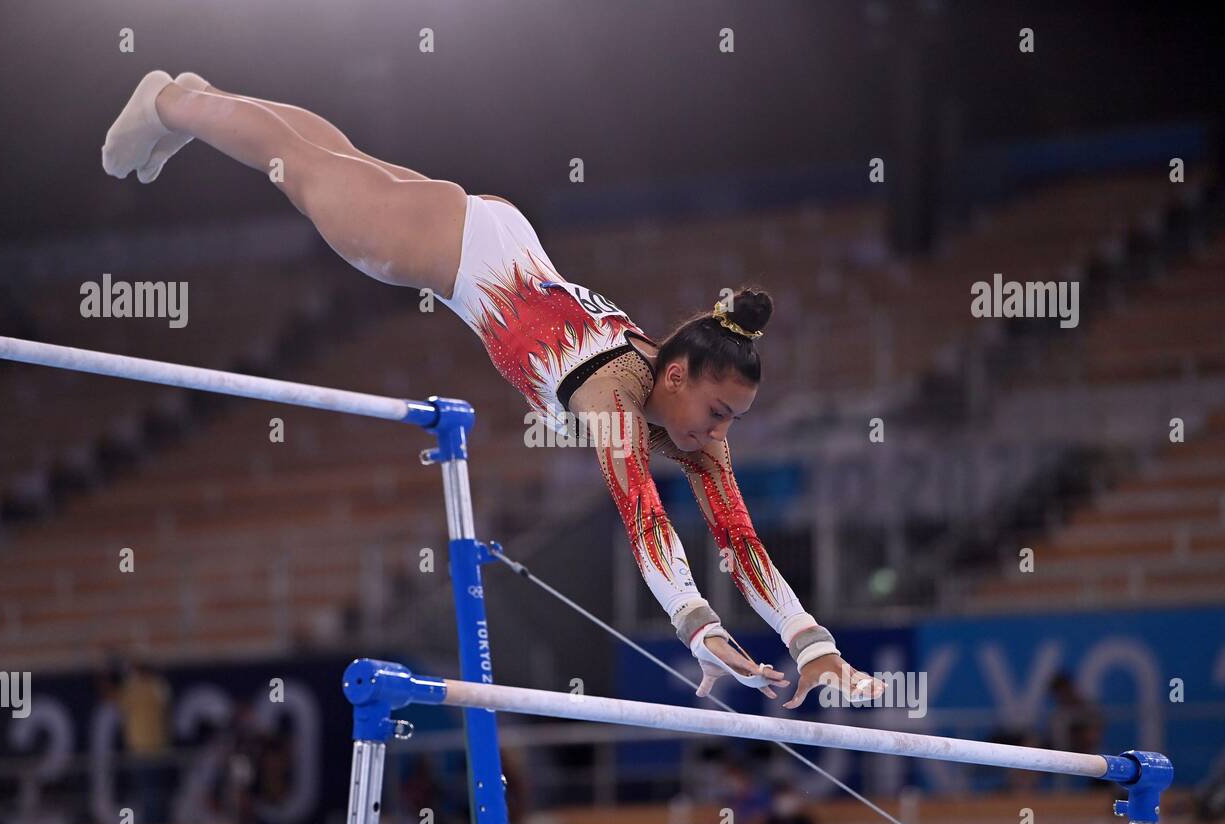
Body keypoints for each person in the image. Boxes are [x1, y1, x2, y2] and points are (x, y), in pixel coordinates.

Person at [101, 70, 884, 708]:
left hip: (485, 236)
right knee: (306, 168)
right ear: (675, 375)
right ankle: (174, 102)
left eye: (733, 423)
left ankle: (192, 98)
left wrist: (814, 645)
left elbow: (739, 540)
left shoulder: (685, 414)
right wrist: (696, 624)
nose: (720, 434)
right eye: (718, 413)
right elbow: (642, 516)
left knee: (326, 157)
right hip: (446, 251)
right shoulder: (613, 390)